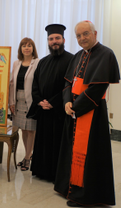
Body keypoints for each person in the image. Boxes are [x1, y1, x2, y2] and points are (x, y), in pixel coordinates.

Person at [54, 21, 120, 207]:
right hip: (73, 111)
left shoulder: (106, 54)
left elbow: (97, 89)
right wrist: (67, 102)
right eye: (79, 36)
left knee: (89, 155)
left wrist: (76, 107)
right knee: (71, 151)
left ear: (94, 33)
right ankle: (68, 187)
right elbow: (67, 83)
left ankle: (84, 196)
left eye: (85, 34)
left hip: (91, 113)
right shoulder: (77, 56)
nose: (82, 38)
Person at [27, 24, 73, 182]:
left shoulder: (72, 60)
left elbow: (71, 86)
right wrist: (40, 101)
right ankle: (41, 171)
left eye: (57, 38)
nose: (54, 41)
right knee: (43, 141)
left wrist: (53, 102)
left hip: (60, 111)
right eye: (51, 39)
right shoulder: (43, 62)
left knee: (58, 143)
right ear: (47, 41)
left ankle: (55, 174)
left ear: (63, 40)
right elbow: (35, 85)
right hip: (44, 110)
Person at [9, 37, 39, 171]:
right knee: (22, 129)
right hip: (17, 100)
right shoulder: (16, 63)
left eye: (29, 46)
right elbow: (11, 84)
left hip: (31, 101)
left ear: (33, 48)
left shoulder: (38, 63)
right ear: (20, 49)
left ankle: (27, 158)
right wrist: (11, 101)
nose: (26, 48)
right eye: (24, 46)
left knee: (31, 130)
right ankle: (29, 154)